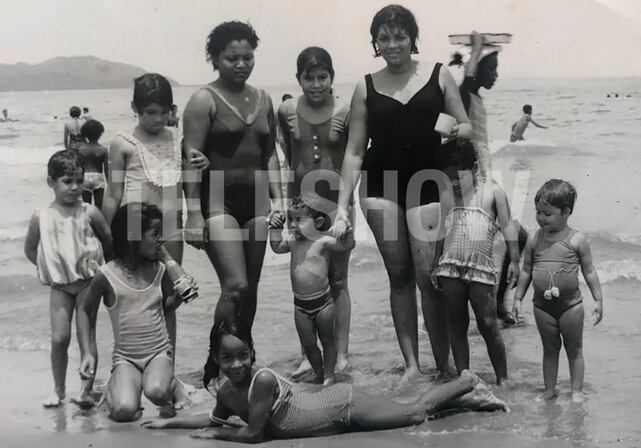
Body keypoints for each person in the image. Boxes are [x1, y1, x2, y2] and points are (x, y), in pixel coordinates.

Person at [332, 4, 472, 382]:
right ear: (375, 42)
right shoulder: (365, 85)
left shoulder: (439, 76)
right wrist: (342, 207)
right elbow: (355, 150)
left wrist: (449, 132)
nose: (392, 44)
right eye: (384, 37)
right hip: (380, 185)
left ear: (412, 38)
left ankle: (443, 366)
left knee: (430, 278)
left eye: (399, 36)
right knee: (399, 277)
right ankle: (412, 365)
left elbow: (465, 126)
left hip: (428, 181)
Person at [140, 316, 506, 442]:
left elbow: (252, 435)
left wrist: (218, 434)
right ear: (216, 359)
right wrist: (168, 423)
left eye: (242, 356)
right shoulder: (225, 390)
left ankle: (465, 381)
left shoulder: (262, 381)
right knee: (411, 415)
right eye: (227, 358)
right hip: (335, 418)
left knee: (412, 413)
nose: (236, 364)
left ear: (252, 354)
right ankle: (469, 402)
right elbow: (214, 417)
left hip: (343, 405)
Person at [101, 73, 197, 406]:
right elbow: (113, 194)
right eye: (150, 113)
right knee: (132, 303)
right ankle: (125, 370)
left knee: (169, 302)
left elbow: (189, 184)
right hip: (131, 235)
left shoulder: (178, 138)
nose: (158, 119)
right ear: (136, 109)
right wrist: (108, 240)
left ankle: (168, 374)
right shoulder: (122, 143)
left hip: (170, 231)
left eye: (163, 112)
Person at [182, 21, 284, 329]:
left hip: (257, 204)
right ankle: (217, 360)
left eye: (248, 57)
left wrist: (279, 200)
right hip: (217, 203)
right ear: (214, 59)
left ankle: (243, 359)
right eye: (231, 58)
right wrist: (193, 215)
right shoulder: (203, 100)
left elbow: (269, 155)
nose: (241, 64)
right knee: (236, 286)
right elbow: (190, 160)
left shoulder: (265, 99)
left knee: (250, 290)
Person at [77, 202, 197, 421]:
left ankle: (173, 385)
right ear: (133, 238)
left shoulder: (159, 270)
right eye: (155, 234)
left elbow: (166, 307)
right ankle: (116, 386)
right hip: (126, 358)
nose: (161, 239)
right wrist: (87, 351)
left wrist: (179, 296)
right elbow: (85, 310)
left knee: (157, 391)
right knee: (123, 411)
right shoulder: (107, 275)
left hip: (158, 353)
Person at [278, 47, 353, 375]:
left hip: (337, 204)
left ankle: (342, 353)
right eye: (309, 78)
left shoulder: (346, 110)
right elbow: (286, 152)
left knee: (338, 280)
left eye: (323, 77)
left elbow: (353, 161)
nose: (316, 84)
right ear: (298, 79)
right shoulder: (287, 110)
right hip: (300, 205)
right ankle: (309, 354)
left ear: (332, 77)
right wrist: (286, 204)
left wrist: (347, 209)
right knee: (304, 276)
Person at [23, 149, 112, 408]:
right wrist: (50, 268)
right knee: (59, 338)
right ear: (51, 182)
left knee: (87, 337)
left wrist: (104, 277)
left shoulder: (90, 212)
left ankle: (85, 390)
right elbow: (30, 249)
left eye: (79, 180)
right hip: (60, 286)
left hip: (87, 282)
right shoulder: (41, 215)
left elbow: (108, 242)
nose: (74, 187)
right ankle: (58, 389)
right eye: (67, 181)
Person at [431, 141, 519, 385]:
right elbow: (441, 230)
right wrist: (435, 263)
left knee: (488, 323)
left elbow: (508, 226)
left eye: (458, 177)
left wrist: (514, 259)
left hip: (480, 268)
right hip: (450, 265)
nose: (455, 183)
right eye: (449, 179)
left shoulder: (492, 192)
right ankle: (464, 378)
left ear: (474, 167)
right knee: (457, 324)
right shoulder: (447, 195)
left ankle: (503, 379)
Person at [513, 179, 603, 402]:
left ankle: (577, 391)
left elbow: (589, 271)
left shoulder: (577, 239)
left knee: (574, 349)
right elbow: (526, 269)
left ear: (566, 212)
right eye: (538, 212)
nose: (541, 218)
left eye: (547, 214)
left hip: (571, 306)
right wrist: (517, 297)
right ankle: (549, 390)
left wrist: (598, 299)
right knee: (549, 349)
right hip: (542, 307)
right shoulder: (534, 238)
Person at [454, 31, 522, 325]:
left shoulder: (475, 99)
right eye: (491, 68)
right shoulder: (464, 96)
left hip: (484, 174)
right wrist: (476, 50)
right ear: (477, 68)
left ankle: (497, 306)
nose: (495, 74)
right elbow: (465, 83)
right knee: (500, 240)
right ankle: (496, 309)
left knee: (511, 237)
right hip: (473, 179)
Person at [269, 193, 355, 385]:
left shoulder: (323, 241)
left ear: (318, 222)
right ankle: (318, 371)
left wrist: (347, 233)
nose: (291, 225)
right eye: (290, 219)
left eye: (298, 220)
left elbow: (347, 246)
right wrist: (273, 228)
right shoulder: (292, 241)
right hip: (300, 306)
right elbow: (276, 247)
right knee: (308, 344)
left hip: (323, 304)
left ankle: (329, 375)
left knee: (328, 342)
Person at [78, 119, 108, 209]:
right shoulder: (103, 150)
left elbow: (78, 167)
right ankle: (97, 222)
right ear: (100, 134)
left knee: (86, 207)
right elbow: (107, 169)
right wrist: (110, 185)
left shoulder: (80, 149)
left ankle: (88, 222)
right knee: (99, 207)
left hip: (85, 176)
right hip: (98, 177)